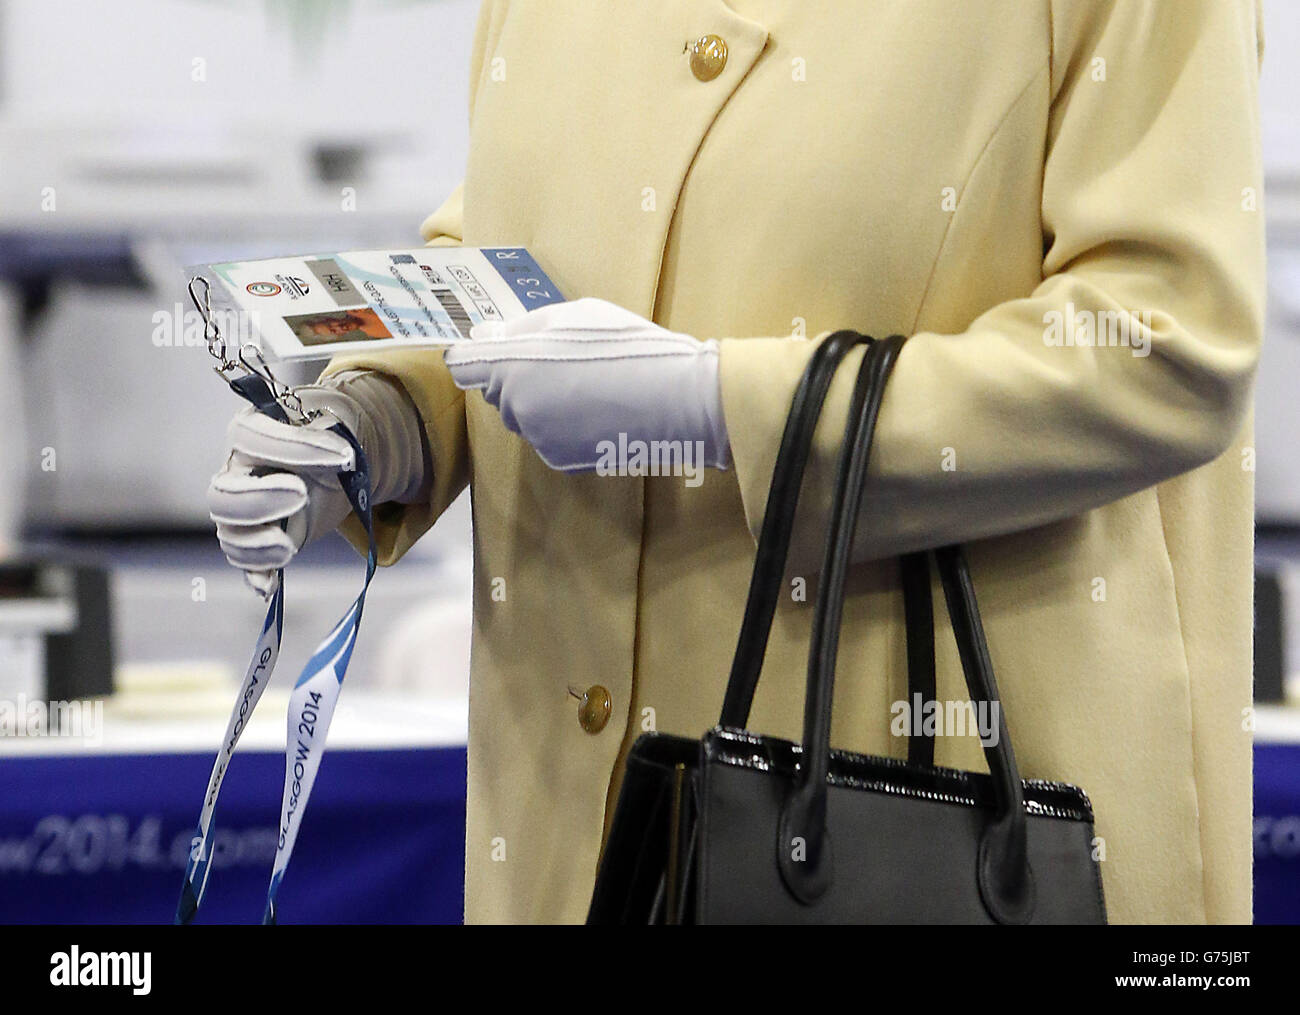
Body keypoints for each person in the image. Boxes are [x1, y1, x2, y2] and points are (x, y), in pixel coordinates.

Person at [207, 0, 1266, 924]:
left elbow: (1162, 349)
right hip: (560, 841)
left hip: (921, 822)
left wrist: (713, 402)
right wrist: (380, 419)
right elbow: (498, 264)